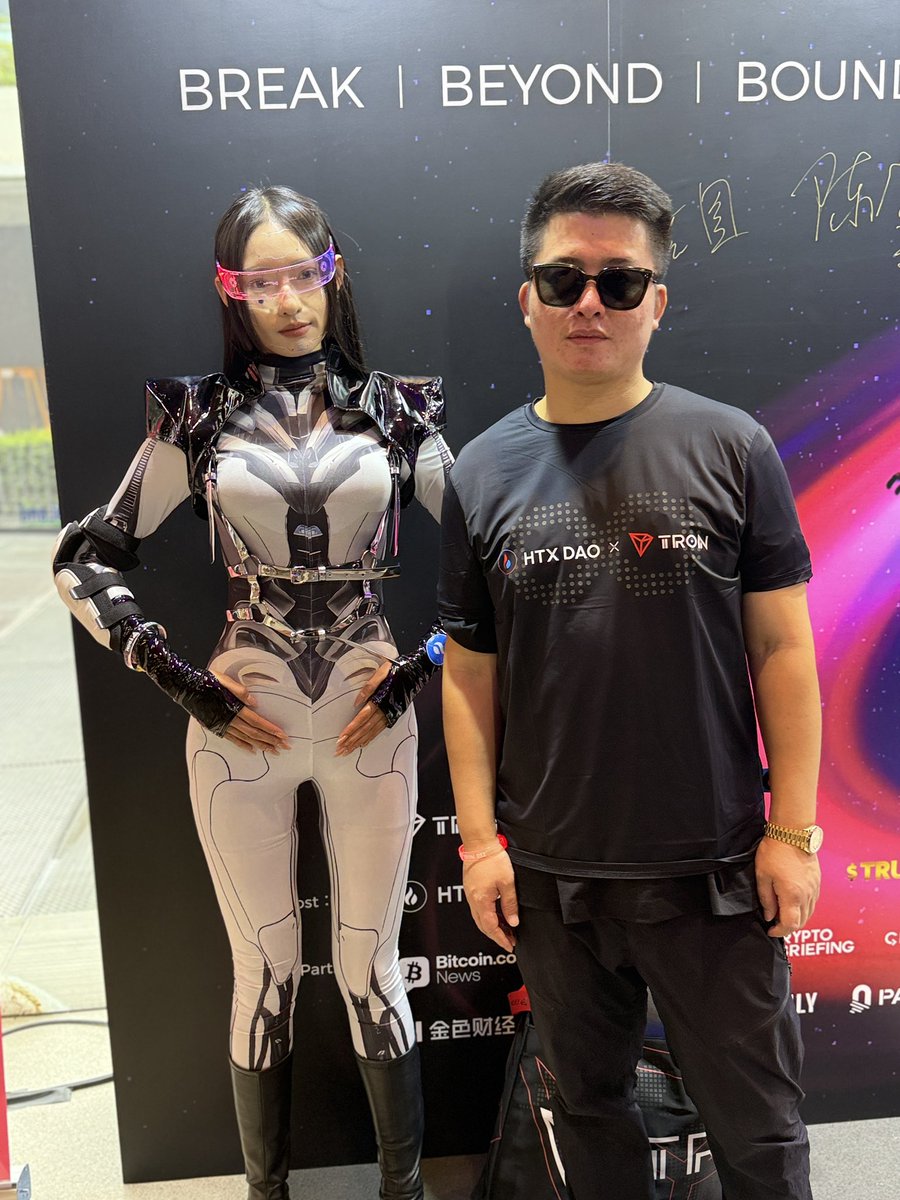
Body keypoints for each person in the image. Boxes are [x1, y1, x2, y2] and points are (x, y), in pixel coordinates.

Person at [52, 185, 451, 1200]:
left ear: (333, 273)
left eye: (302, 274)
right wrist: (180, 679)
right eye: (259, 281)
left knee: (372, 972)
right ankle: (264, 1194)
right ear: (231, 291)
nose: (286, 301)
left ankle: (403, 1192)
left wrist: (423, 663)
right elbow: (82, 558)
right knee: (265, 976)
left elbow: (499, 557)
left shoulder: (399, 410)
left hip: (370, 717)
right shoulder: (196, 417)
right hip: (242, 722)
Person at [439, 162, 821, 1200]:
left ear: (657, 300)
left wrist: (793, 833)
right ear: (528, 299)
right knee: (588, 1120)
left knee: (761, 1139)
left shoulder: (732, 446)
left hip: (715, 874)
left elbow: (784, 651)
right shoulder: (479, 472)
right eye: (563, 280)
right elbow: (468, 674)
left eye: (619, 281)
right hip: (554, 882)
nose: (590, 304)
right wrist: (479, 843)